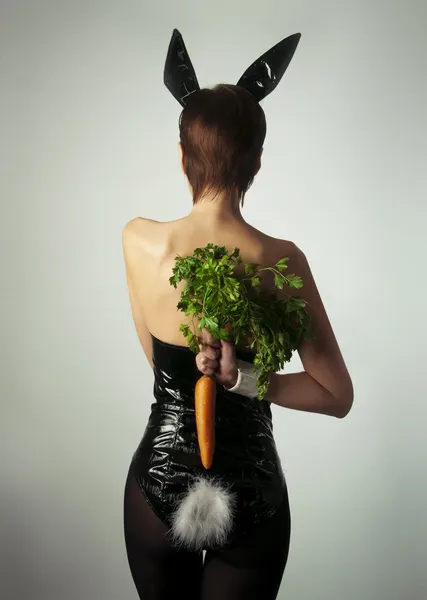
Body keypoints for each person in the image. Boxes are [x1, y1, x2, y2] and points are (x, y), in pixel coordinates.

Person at [122, 29, 353, 600]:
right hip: (252, 489)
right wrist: (243, 379)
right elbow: (335, 395)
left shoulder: (139, 241)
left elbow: (158, 361)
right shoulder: (279, 262)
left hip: (157, 480)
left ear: (182, 156)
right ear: (256, 165)